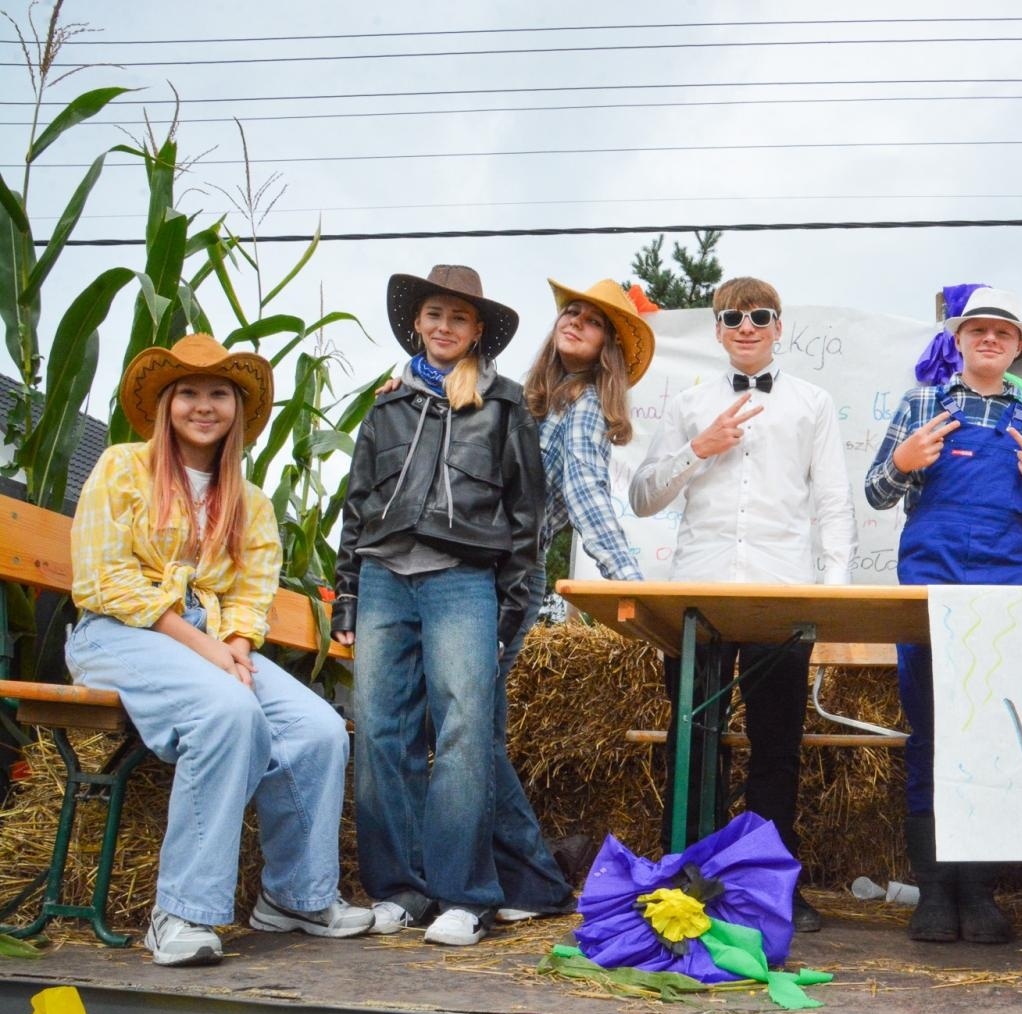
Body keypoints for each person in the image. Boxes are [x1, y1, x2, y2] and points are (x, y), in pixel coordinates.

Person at [66, 334, 372, 966]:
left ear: (237, 409)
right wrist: (210, 652)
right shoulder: (122, 467)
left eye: (218, 394)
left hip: (211, 643)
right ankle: (181, 913)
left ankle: (294, 897)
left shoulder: (250, 501)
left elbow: (250, 595)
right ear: (165, 404)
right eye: (188, 393)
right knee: (227, 713)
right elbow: (103, 580)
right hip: (123, 631)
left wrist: (234, 647)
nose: (202, 406)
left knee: (319, 728)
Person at [628, 276, 856, 933]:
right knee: (693, 740)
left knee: (776, 746)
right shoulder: (691, 402)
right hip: (699, 592)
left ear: (779, 326)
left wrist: (834, 594)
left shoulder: (813, 403)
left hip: (780, 592)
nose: (747, 326)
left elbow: (833, 502)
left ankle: (768, 889)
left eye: (760, 316)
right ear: (718, 329)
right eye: (732, 317)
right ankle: (686, 885)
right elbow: (644, 495)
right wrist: (698, 450)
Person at [334, 264, 549, 947]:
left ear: (477, 330)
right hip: (382, 579)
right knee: (378, 730)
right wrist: (345, 594)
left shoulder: (505, 405)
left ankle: (466, 895)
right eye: (434, 315)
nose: (444, 327)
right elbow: (358, 505)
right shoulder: (387, 404)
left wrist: (510, 615)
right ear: (418, 323)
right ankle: (400, 889)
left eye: (458, 318)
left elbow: (527, 521)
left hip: (463, 578)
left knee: (462, 733)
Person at [864, 287, 1022, 945]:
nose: (988, 340)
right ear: (958, 340)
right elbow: (875, 490)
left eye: (1001, 333)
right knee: (930, 730)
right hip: (929, 579)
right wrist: (901, 462)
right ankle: (933, 893)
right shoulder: (925, 404)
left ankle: (978, 893)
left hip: (1005, 586)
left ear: (1017, 346)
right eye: (976, 330)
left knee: (992, 736)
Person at [488, 278, 655, 920]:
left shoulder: (581, 405)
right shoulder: (524, 401)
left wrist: (632, 585)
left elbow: (587, 497)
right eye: (571, 312)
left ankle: (534, 878)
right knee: (466, 730)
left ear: (608, 349)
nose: (576, 321)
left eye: (593, 321)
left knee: (472, 732)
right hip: (477, 570)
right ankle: (522, 871)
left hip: (505, 578)